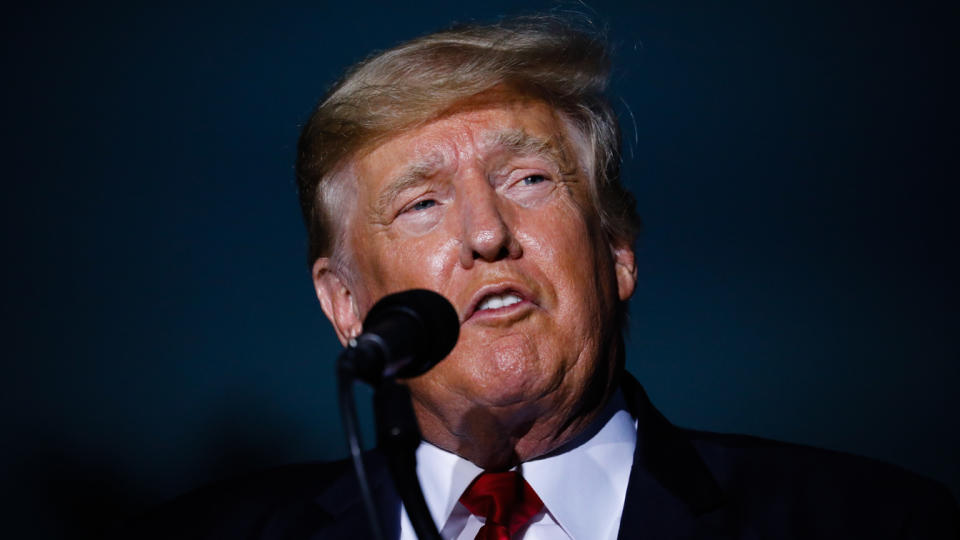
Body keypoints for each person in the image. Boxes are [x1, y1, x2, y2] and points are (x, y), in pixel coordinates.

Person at [124, 16, 958, 540]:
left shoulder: (877, 521)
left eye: (529, 180)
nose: (487, 233)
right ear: (345, 304)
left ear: (618, 252)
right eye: (420, 203)